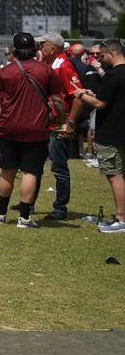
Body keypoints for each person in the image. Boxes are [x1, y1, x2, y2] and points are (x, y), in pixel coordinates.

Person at [0, 32, 65, 228]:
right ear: (35, 49)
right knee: (31, 172)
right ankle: (25, 216)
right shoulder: (46, 71)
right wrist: (62, 120)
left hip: (9, 127)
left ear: (14, 50)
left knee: (8, 171)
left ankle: (2, 211)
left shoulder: (5, 72)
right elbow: (58, 100)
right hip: (37, 129)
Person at [76, 39, 125, 232]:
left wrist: (80, 94)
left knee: (115, 176)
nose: (101, 59)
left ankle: (121, 219)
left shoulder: (113, 75)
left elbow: (99, 104)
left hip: (111, 132)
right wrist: (92, 94)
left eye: (102, 55)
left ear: (112, 53)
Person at [37, 33, 83, 221]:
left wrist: (69, 122)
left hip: (57, 125)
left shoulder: (64, 65)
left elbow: (77, 96)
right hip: (46, 123)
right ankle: (29, 202)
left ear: (53, 48)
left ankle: (60, 206)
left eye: (43, 44)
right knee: (37, 164)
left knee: (58, 166)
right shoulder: (50, 65)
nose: (39, 47)